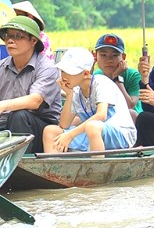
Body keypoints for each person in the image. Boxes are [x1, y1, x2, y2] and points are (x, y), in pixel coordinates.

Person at [42, 47, 136, 153]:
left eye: (69, 72)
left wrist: (71, 134)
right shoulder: (76, 91)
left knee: (92, 126)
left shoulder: (101, 83)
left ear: (86, 73)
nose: (64, 76)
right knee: (50, 131)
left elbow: (101, 115)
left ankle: (97, 168)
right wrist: (69, 95)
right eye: (63, 71)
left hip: (120, 135)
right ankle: (54, 169)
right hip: (92, 133)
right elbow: (64, 125)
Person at [0, 16, 61, 153]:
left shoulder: (47, 67)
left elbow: (35, 101)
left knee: (19, 115)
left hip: (39, 131)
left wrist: (3, 105)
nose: (10, 41)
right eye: (7, 36)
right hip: (5, 126)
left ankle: (20, 164)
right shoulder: (2, 67)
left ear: (33, 41)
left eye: (17, 36)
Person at [93, 33, 142, 121]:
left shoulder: (133, 75)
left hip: (131, 120)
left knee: (130, 113)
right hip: (104, 118)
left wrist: (117, 77)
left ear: (123, 57)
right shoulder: (96, 76)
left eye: (115, 55)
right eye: (103, 55)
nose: (109, 60)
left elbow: (130, 105)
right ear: (95, 56)